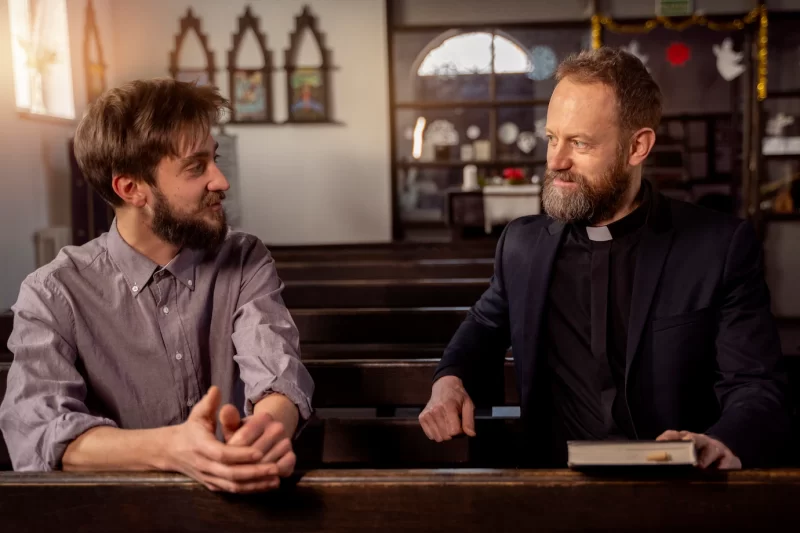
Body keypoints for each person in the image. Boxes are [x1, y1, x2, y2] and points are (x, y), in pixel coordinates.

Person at [419, 48, 790, 470]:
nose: (556, 161)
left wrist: (720, 442)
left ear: (638, 146)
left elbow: (756, 387)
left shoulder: (717, 247)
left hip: (674, 486)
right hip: (554, 485)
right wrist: (449, 379)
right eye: (552, 138)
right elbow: (483, 327)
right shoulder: (522, 245)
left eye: (579, 143)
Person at [0, 79, 314, 493]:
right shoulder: (53, 293)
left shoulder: (243, 258)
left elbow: (277, 375)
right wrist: (171, 449)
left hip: (243, 505)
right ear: (131, 189)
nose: (221, 180)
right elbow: (41, 429)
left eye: (214, 160)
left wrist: (263, 434)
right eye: (196, 166)